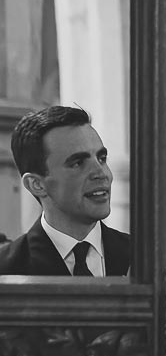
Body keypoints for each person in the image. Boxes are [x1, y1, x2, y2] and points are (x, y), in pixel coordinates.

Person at [0, 106, 129, 276]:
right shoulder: (6, 270)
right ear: (36, 184)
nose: (102, 173)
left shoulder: (145, 258)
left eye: (101, 159)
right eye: (78, 163)